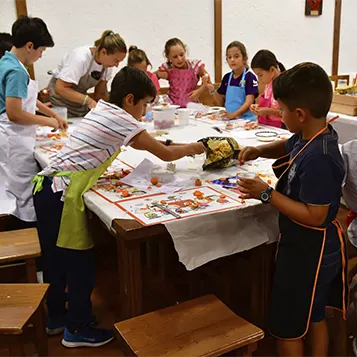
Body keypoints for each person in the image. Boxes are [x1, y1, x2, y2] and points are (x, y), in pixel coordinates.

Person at [33, 66, 205, 348]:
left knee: (56, 261)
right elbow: (163, 152)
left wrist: (179, 144)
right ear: (129, 100)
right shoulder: (123, 120)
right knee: (80, 264)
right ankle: (75, 329)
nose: (145, 112)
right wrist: (196, 147)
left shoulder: (103, 109)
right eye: (145, 105)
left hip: (47, 187)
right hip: (61, 193)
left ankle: (56, 317)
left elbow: (146, 143)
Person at [237, 63, 347, 357]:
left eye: (281, 110)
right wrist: (260, 150)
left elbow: (316, 215)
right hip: (306, 247)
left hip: (310, 251)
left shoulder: (320, 158)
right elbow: (288, 145)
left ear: (299, 114)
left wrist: (265, 193)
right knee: (314, 315)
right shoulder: (311, 134)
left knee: (288, 327)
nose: (279, 115)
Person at [0, 16, 67, 224]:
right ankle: (27, 235)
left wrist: (52, 113)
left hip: (13, 135)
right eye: (41, 51)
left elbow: (24, 97)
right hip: (13, 137)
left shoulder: (6, 60)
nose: (41, 55)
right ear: (30, 46)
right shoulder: (16, 71)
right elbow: (15, 113)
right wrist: (48, 122)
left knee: (12, 189)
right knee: (21, 193)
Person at [48, 30, 127, 117]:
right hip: (59, 103)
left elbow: (100, 94)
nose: (116, 65)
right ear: (103, 52)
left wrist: (114, 110)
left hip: (79, 104)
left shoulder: (107, 66)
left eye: (119, 62)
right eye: (116, 61)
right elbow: (61, 88)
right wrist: (88, 100)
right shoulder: (80, 58)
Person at [205, 41, 258, 120]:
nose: (232, 60)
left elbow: (248, 103)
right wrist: (212, 89)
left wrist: (233, 115)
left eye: (236, 56)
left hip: (246, 120)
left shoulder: (250, 77)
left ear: (245, 58)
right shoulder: (227, 77)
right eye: (229, 57)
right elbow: (221, 102)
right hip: (231, 120)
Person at [156, 38, 210, 107]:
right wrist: (156, 91)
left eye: (181, 55)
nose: (179, 59)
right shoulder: (168, 68)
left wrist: (199, 91)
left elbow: (207, 77)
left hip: (191, 106)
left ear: (185, 51)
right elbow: (152, 77)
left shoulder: (194, 66)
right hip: (173, 107)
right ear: (168, 57)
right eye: (175, 57)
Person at [251, 49, 286, 128]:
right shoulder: (268, 85)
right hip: (267, 126)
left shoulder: (285, 85)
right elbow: (269, 104)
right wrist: (257, 107)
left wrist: (268, 111)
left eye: (260, 75)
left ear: (272, 69)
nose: (259, 79)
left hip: (282, 127)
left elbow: (288, 113)